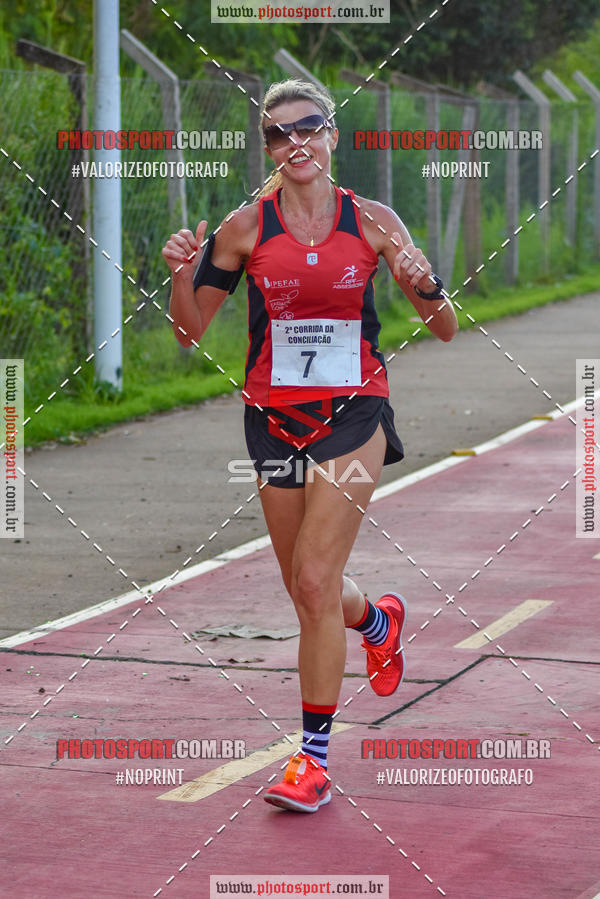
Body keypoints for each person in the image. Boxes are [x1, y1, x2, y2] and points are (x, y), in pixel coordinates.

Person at [162, 78, 458, 814]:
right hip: (273, 419)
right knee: (308, 588)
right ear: (268, 148)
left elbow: (445, 324)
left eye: (309, 127)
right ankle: (378, 622)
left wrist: (426, 286)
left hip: (355, 412)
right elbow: (188, 331)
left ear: (332, 135)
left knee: (316, 579)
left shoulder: (375, 221)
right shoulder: (244, 228)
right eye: (278, 132)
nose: (295, 141)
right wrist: (178, 275)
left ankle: (313, 761)